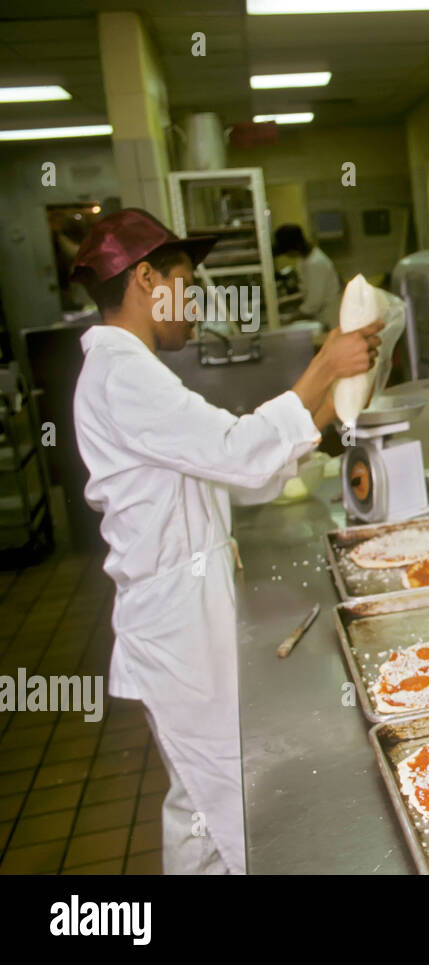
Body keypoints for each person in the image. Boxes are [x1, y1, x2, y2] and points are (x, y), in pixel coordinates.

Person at [71, 208, 383, 873]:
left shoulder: (133, 370)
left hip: (187, 618)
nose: (198, 303)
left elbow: (239, 474)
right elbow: (239, 454)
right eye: (188, 284)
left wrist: (332, 393)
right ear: (146, 278)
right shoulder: (121, 374)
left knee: (201, 800)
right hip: (177, 629)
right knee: (227, 805)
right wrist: (324, 364)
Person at [274, 223, 342, 330]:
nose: (288, 255)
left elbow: (313, 303)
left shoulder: (316, 263)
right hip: (321, 316)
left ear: (295, 247)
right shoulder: (304, 260)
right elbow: (307, 292)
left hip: (329, 317)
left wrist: (288, 320)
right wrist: (283, 302)